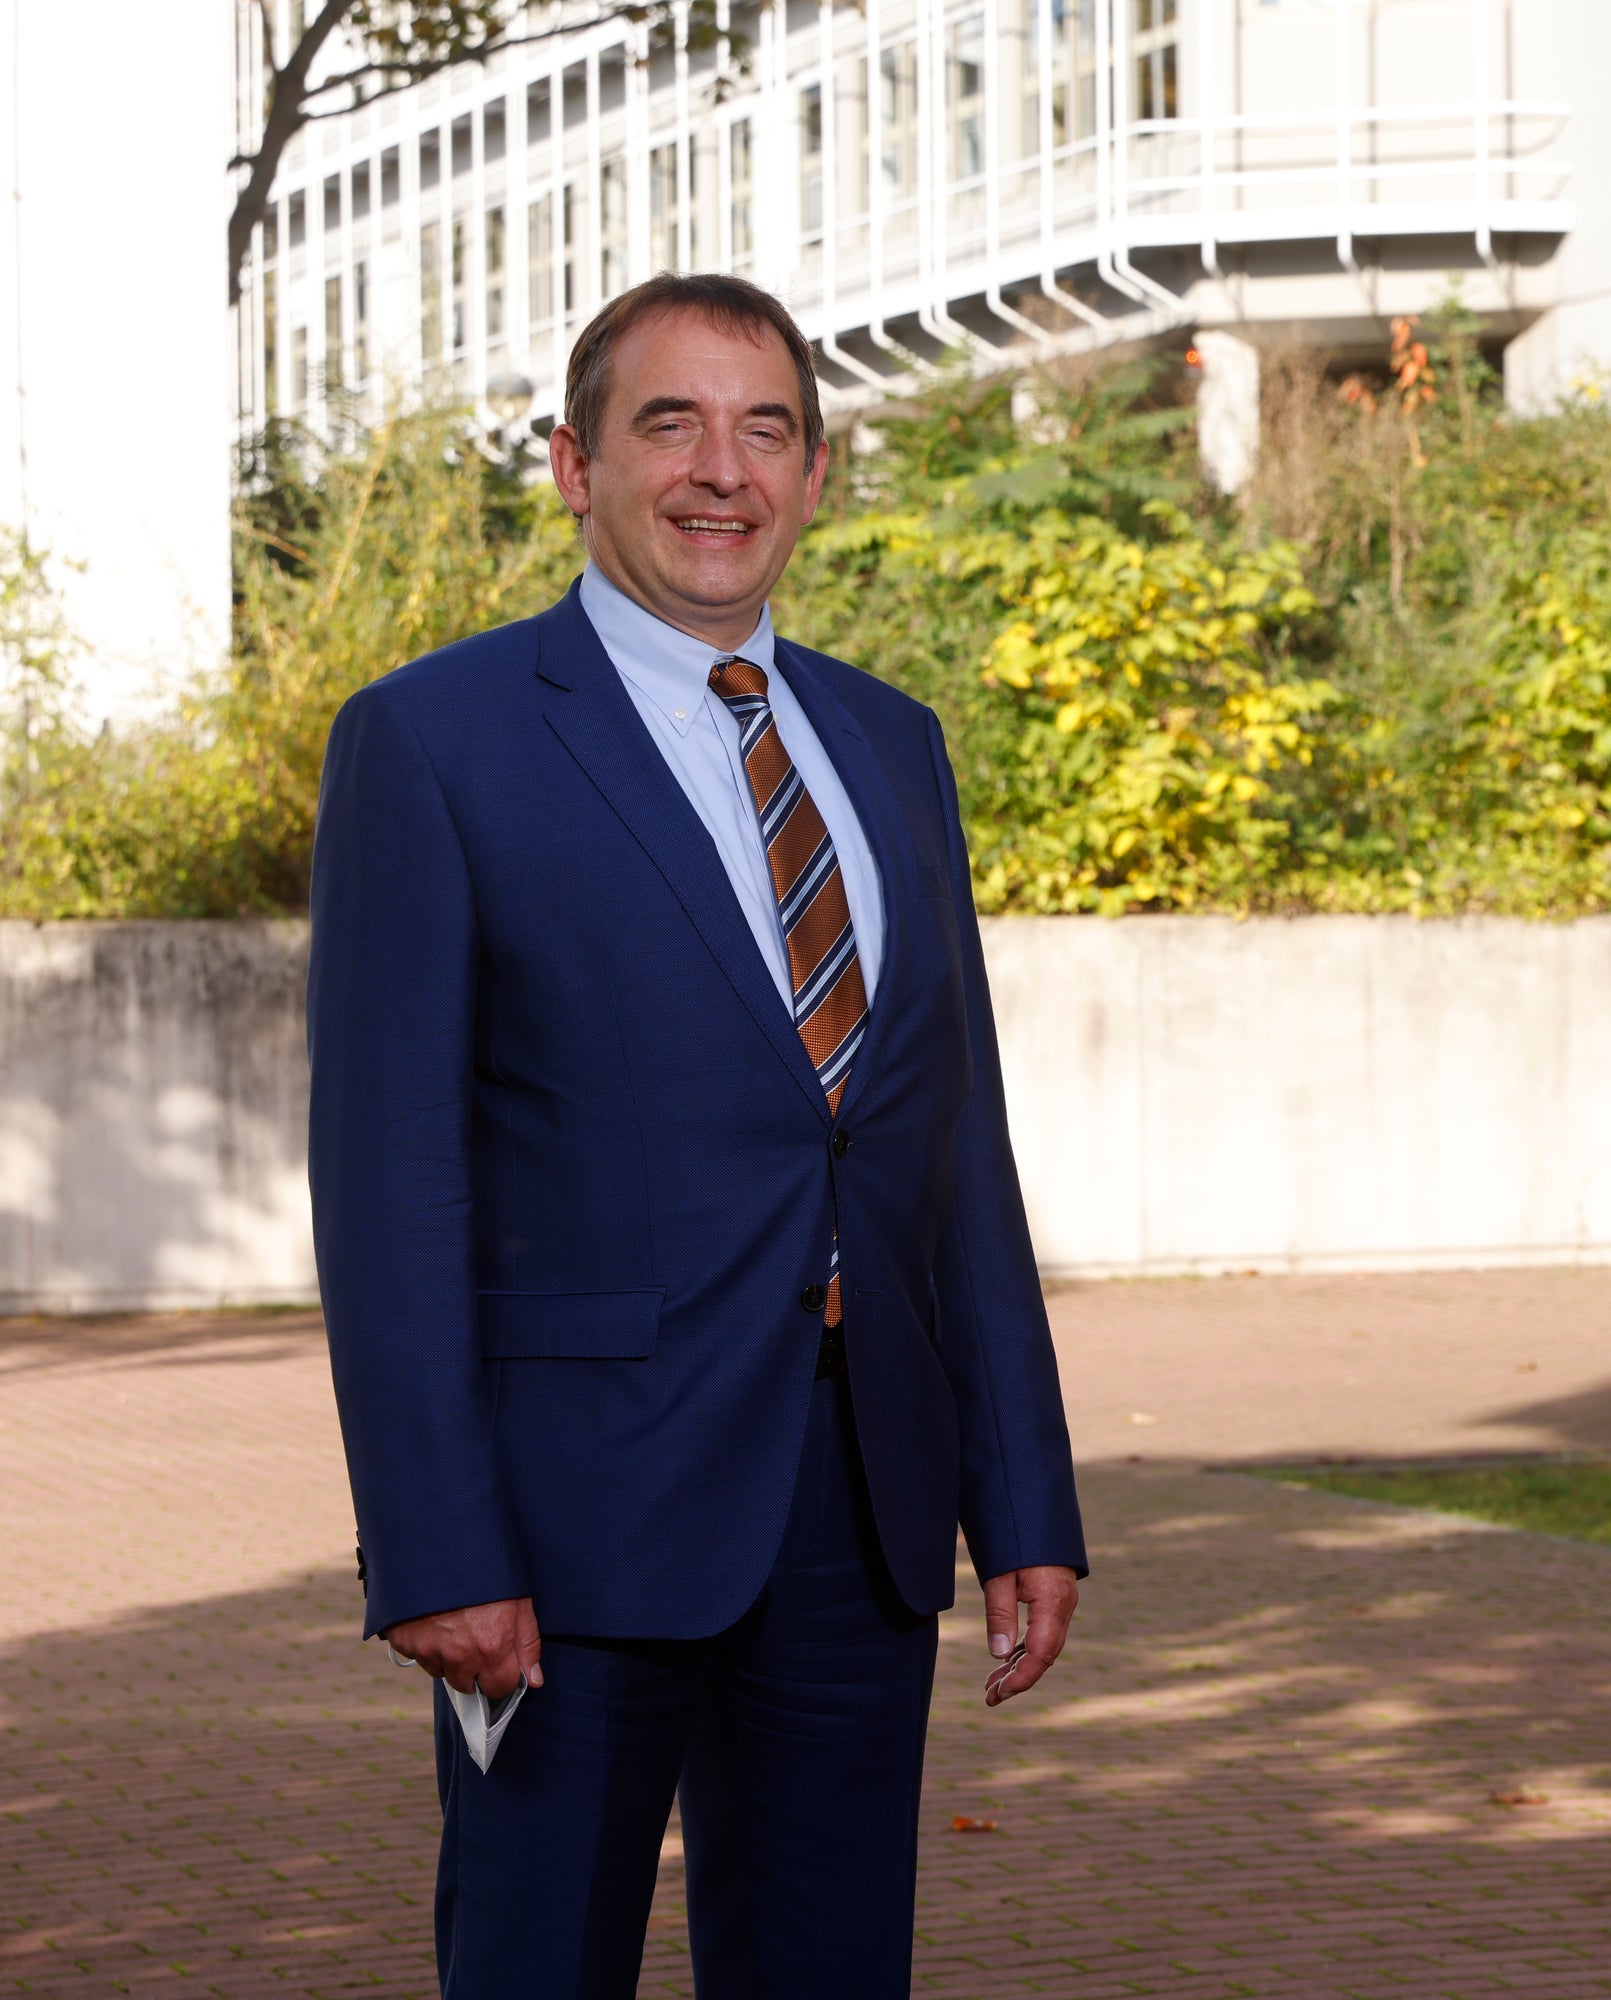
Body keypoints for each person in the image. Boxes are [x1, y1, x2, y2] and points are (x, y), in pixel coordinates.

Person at [308, 272, 1086, 1997]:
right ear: (576, 466)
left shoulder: (894, 748)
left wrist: (1021, 1495)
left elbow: (954, 1152)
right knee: (537, 1966)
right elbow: (389, 1181)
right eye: (671, 423)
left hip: (860, 1510)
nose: (721, 470)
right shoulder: (434, 744)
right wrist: (438, 1541)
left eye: (767, 429)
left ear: (815, 474)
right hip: (569, 1527)